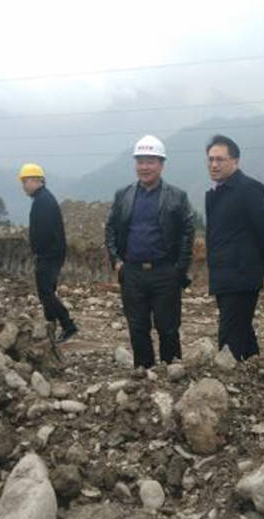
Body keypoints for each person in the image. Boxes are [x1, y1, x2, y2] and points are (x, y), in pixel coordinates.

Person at [104, 135, 195, 368]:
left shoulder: (177, 196)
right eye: (140, 161)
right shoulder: (123, 195)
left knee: (168, 327)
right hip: (132, 272)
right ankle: (143, 373)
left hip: (165, 272)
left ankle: (171, 371)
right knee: (137, 327)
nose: (144, 167)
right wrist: (116, 260)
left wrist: (179, 269)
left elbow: (188, 232)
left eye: (150, 161)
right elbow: (111, 228)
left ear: (161, 164)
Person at [205, 134, 264, 361]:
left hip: (242, 275)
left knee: (229, 339)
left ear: (235, 161)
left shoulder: (249, 189)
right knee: (242, 331)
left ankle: (230, 379)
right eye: (210, 159)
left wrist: (262, 268)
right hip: (222, 276)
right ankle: (258, 371)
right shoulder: (215, 193)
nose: (214, 164)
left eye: (220, 159)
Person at [18, 162, 78, 343]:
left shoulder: (43, 202)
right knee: (47, 292)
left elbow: (44, 231)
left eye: (26, 181)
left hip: (48, 255)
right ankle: (50, 327)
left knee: (46, 293)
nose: (23, 186)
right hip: (51, 253)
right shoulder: (43, 199)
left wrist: (39, 251)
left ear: (37, 180)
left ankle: (68, 325)